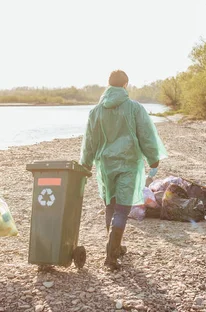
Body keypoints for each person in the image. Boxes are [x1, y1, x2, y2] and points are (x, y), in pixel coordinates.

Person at [80, 70, 167, 270]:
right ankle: (111, 257)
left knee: (110, 206)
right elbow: (146, 135)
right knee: (122, 209)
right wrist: (153, 158)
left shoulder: (96, 111)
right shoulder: (134, 108)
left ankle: (116, 248)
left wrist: (85, 163)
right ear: (126, 85)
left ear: (109, 85)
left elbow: (89, 142)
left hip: (106, 166)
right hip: (127, 164)